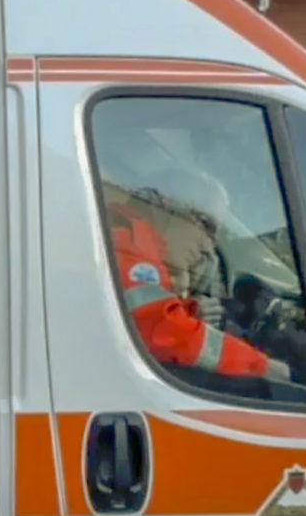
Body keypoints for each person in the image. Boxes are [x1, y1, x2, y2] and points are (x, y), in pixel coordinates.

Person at [97, 148, 289, 383]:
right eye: (205, 225)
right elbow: (159, 332)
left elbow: (139, 314)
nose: (208, 247)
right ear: (165, 206)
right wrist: (263, 367)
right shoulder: (127, 240)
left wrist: (188, 311)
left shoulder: (129, 234)